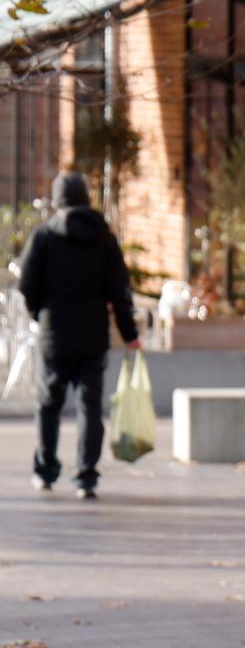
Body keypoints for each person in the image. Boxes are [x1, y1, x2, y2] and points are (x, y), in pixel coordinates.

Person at [19, 172, 140, 500]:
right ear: (86, 198)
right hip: (92, 335)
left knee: (48, 403)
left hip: (53, 334)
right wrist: (130, 334)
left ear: (58, 200)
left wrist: (39, 314)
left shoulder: (44, 236)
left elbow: (27, 284)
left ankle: (46, 470)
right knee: (89, 406)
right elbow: (120, 290)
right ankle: (86, 475)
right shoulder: (103, 237)